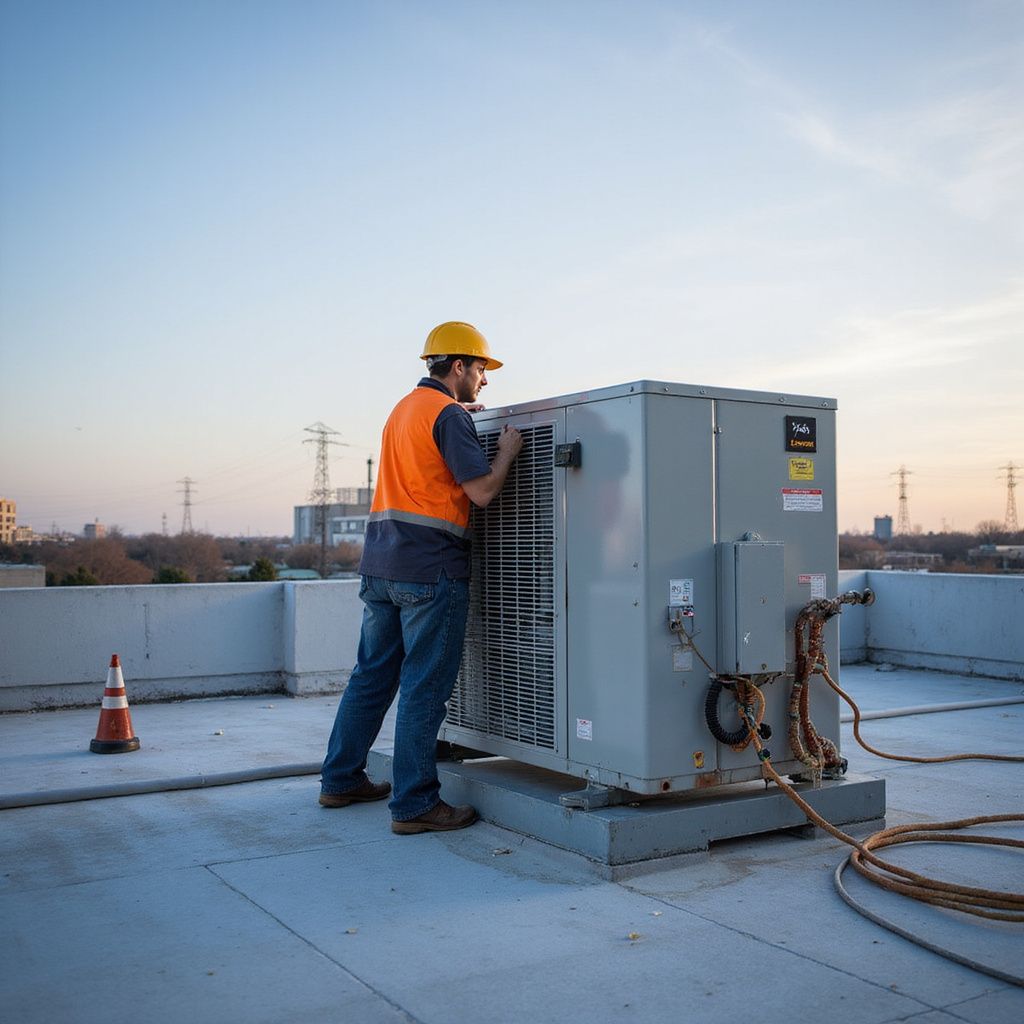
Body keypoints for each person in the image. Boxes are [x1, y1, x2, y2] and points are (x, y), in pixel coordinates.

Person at [319, 321, 522, 834]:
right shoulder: (447, 415)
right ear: (458, 366)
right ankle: (415, 805)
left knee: (370, 678)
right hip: (430, 571)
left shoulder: (405, 409)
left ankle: (341, 779)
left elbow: (426, 460)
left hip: (380, 567)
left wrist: (459, 417)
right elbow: (480, 493)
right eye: (480, 369)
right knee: (424, 689)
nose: (485, 381)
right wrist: (507, 453)